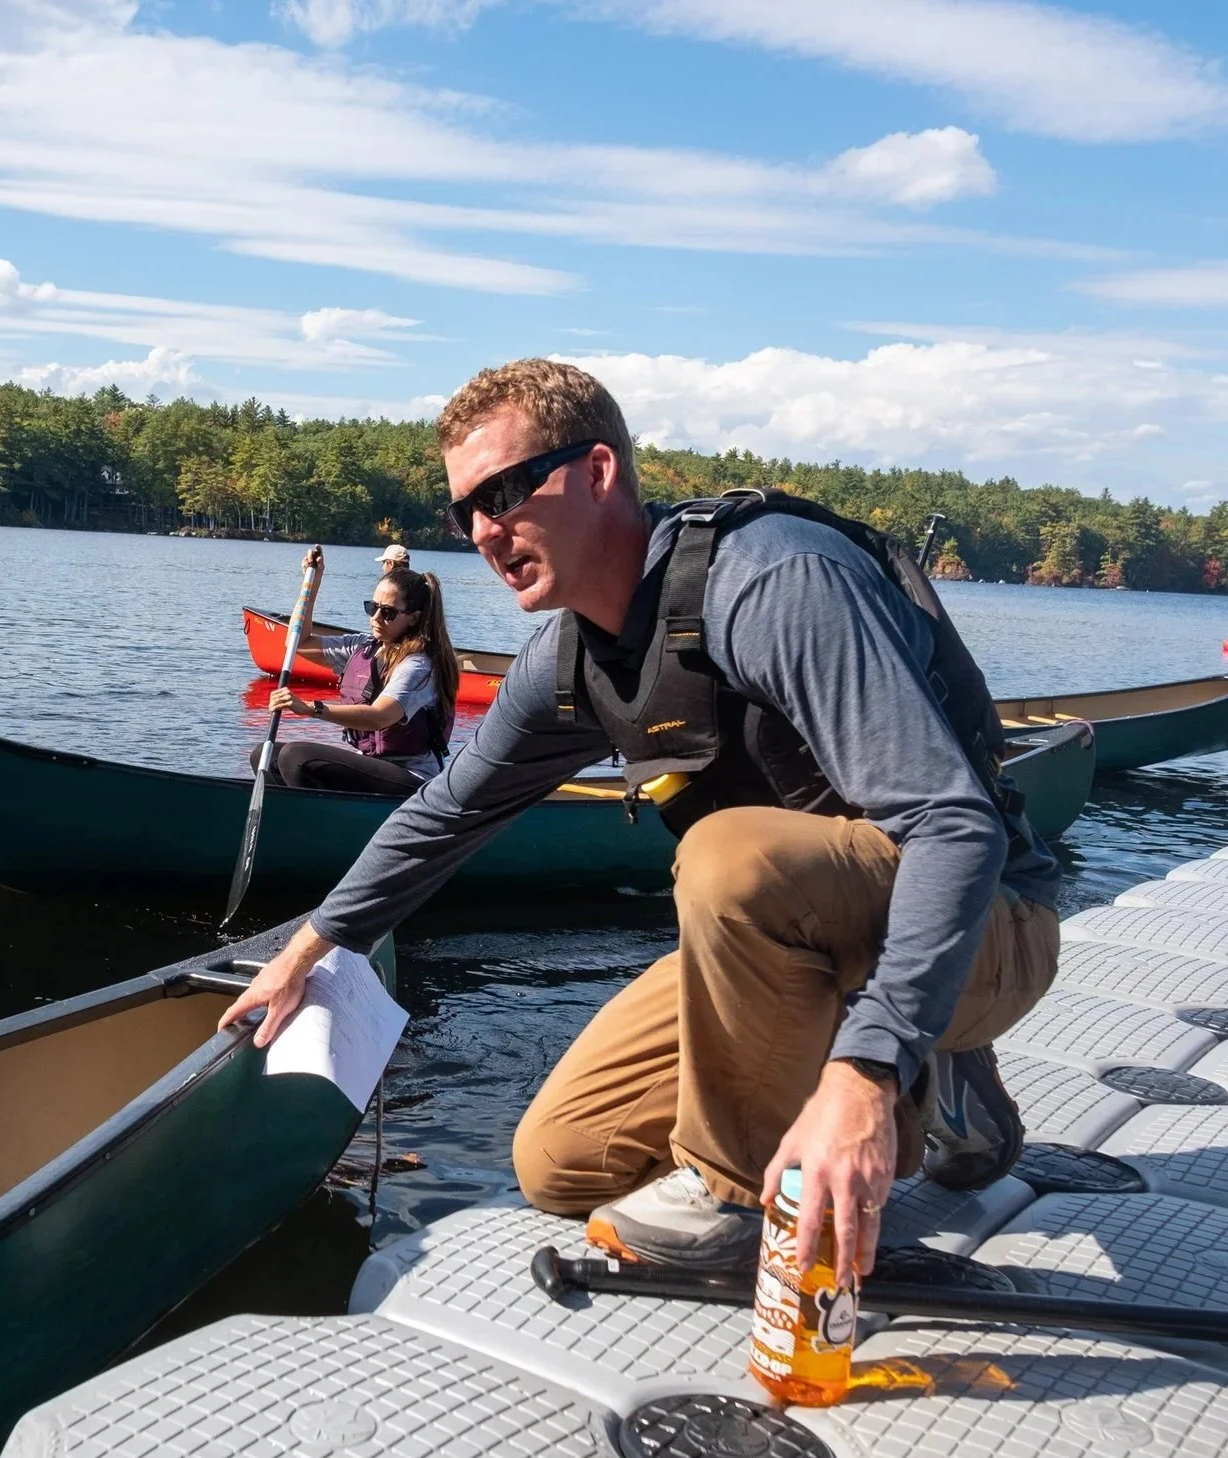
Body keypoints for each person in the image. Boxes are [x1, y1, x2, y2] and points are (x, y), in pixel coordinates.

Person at [222, 358, 1059, 1280]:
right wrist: (310, 951)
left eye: (504, 491)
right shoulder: (568, 658)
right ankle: (937, 1082)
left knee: (729, 854)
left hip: (985, 923)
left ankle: (765, 1179)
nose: (485, 534)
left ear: (597, 472)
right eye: (464, 511)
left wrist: (864, 1076)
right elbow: (444, 814)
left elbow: (952, 826)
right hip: (800, 941)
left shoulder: (772, 580)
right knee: (562, 1161)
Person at [252, 546, 459, 795]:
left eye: (388, 613)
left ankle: (324, 821)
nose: (376, 618)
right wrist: (311, 584)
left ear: (413, 618)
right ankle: (300, 818)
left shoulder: (419, 665)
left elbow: (380, 716)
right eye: (373, 607)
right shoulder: (361, 647)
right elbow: (299, 642)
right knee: (264, 755)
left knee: (296, 757)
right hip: (372, 765)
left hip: (412, 779)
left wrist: (311, 708)